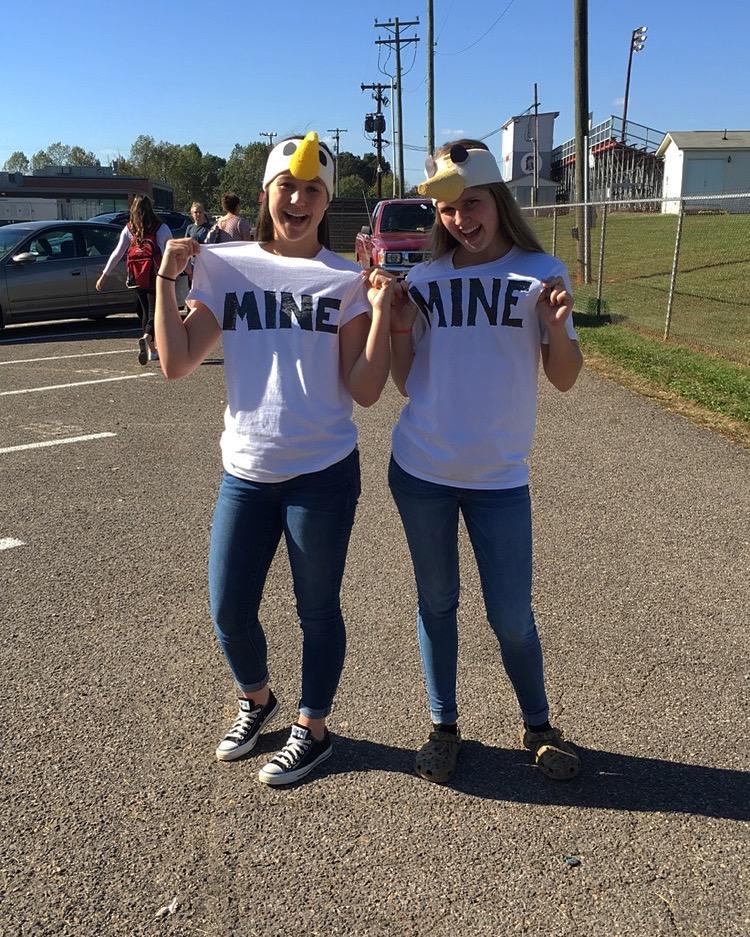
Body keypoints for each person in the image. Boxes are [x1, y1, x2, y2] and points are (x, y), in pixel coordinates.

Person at [154, 132, 395, 786]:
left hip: (322, 473)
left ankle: (313, 728)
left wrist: (377, 315)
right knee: (228, 605)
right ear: (266, 194)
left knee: (316, 607)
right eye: (287, 186)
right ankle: (257, 698)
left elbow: (367, 389)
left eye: (313, 189)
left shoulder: (344, 278)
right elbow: (178, 362)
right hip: (247, 472)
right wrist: (165, 281)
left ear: (326, 201)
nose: (298, 198)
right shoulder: (227, 267)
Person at [385, 139, 584, 784]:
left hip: (500, 479)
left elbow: (564, 379)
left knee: (511, 615)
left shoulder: (541, 271)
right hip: (422, 472)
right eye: (446, 210)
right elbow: (406, 383)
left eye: (472, 204)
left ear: (498, 200)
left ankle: (538, 725)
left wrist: (556, 327)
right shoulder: (424, 280)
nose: (460, 219)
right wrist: (393, 323)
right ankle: (444, 726)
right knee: (436, 602)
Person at [96, 194, 171, 364]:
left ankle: (152, 350)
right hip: (155, 275)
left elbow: (117, 253)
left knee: (144, 311)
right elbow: (171, 252)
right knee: (155, 311)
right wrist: (188, 271)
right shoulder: (161, 228)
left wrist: (104, 275)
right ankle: (147, 338)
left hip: (136, 276)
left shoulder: (130, 229)